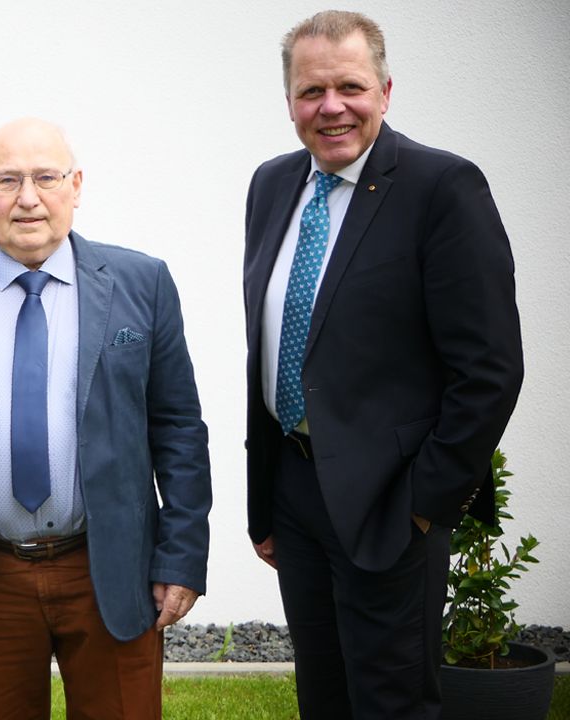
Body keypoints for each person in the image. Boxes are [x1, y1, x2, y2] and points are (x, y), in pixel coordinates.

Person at [243, 10, 524, 719]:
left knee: (391, 703)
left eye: (350, 86)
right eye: (311, 91)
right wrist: (268, 497)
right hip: (296, 490)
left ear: (386, 91)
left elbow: (489, 369)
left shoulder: (443, 189)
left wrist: (424, 506)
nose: (331, 106)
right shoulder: (272, 185)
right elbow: (271, 344)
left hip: (390, 503)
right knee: (324, 697)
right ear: (289, 102)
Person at [0, 118, 213, 720]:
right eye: (7, 180)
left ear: (76, 184)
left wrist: (181, 557)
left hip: (110, 568)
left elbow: (179, 428)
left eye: (45, 177)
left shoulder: (143, 281)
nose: (27, 198)